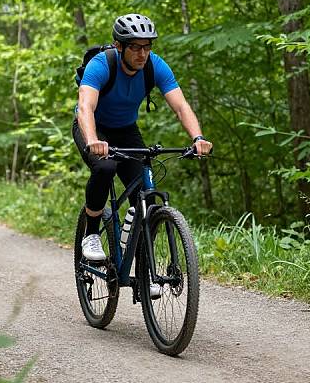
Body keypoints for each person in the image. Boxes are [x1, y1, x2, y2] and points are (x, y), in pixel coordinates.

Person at [72, 13, 213, 262]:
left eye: (147, 47)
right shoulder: (101, 64)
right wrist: (93, 140)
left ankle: (143, 268)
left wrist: (197, 137)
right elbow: (85, 108)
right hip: (93, 127)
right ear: (119, 46)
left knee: (145, 193)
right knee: (105, 168)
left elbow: (181, 107)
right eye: (135, 47)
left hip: (126, 130)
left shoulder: (155, 66)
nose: (142, 54)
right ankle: (91, 234)